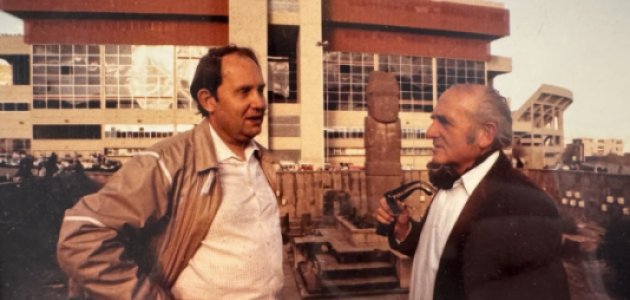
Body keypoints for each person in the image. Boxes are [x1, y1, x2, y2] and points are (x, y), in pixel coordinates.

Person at [57, 45, 284, 300]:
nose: (260, 102)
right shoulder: (169, 161)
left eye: (260, 90)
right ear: (208, 100)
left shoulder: (264, 162)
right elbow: (81, 235)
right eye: (244, 92)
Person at [375, 84, 569, 300]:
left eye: (444, 122)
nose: (430, 132)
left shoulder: (526, 204)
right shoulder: (451, 178)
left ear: (485, 134)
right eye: (433, 120)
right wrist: (404, 230)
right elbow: (438, 255)